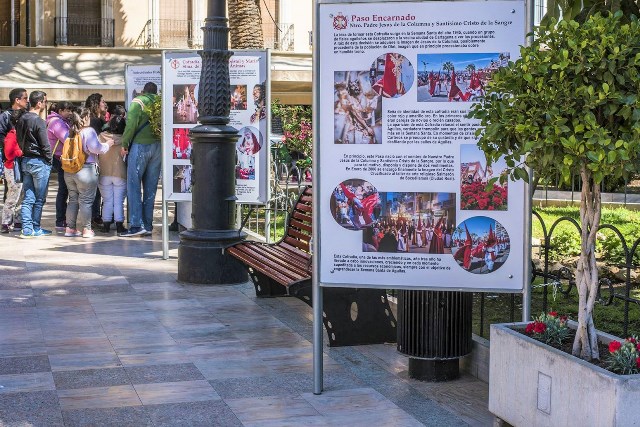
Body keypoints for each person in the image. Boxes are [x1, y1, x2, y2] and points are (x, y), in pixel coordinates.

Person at [63, 108, 113, 238]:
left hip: (69, 171)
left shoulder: (70, 131)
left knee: (73, 200)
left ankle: (70, 228)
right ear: (85, 118)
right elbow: (96, 148)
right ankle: (86, 229)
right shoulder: (89, 131)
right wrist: (107, 144)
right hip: (86, 170)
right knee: (86, 201)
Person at [119, 82, 160, 237]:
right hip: (158, 147)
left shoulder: (138, 102)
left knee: (134, 185)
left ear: (143, 91)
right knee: (151, 188)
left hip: (140, 146)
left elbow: (131, 125)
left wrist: (125, 143)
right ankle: (148, 225)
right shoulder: (161, 103)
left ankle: (136, 225)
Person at [16, 90, 52, 238]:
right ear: (39, 103)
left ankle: (27, 229)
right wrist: (49, 161)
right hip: (38, 162)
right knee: (39, 198)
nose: (45, 104)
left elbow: (18, 139)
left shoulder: (22, 118)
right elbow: (45, 144)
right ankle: (35, 228)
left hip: (25, 160)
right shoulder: (38, 121)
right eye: (45, 101)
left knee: (28, 197)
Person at [0, 88, 29, 231]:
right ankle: (7, 221)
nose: (27, 101)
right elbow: (4, 140)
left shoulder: (26, 115)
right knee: (12, 192)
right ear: (17, 100)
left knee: (21, 192)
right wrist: (15, 151)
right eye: (25, 98)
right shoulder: (5, 116)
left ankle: (17, 220)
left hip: (21, 162)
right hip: (12, 163)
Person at [97, 106, 127, 234]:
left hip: (104, 173)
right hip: (120, 173)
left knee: (107, 200)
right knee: (118, 201)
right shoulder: (125, 139)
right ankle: (120, 224)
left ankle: (106, 224)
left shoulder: (101, 136)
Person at [46, 101, 74, 230]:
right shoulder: (57, 122)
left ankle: (62, 218)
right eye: (67, 110)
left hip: (60, 158)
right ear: (60, 111)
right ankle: (60, 219)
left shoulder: (60, 121)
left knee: (65, 189)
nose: (70, 113)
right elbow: (66, 138)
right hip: (59, 158)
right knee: (63, 189)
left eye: (70, 110)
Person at [85, 93, 108, 227]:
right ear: (96, 103)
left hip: (90, 160)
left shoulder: (91, 119)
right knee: (96, 191)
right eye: (102, 101)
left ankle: (94, 216)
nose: (104, 104)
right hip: (94, 159)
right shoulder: (95, 121)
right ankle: (95, 216)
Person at [1, 109, 23, 233]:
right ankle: (6, 222)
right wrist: (20, 152)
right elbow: (8, 154)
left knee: (20, 195)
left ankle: (18, 221)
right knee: (13, 196)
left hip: (17, 168)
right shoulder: (12, 134)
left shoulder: (18, 134)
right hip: (12, 168)